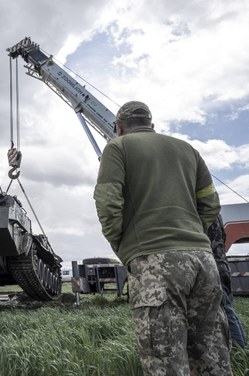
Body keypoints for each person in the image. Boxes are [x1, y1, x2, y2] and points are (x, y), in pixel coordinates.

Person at [93, 101, 232, 375]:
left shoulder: (117, 147)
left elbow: (107, 203)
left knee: (165, 361)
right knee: (212, 357)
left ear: (119, 126)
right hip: (204, 263)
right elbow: (211, 204)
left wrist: (123, 246)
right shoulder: (188, 150)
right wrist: (193, 234)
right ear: (150, 123)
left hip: (155, 263)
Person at [208, 215, 248, 348]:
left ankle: (239, 348)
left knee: (225, 308)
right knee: (227, 307)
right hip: (222, 264)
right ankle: (241, 346)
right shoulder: (217, 217)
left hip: (214, 264)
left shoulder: (208, 219)